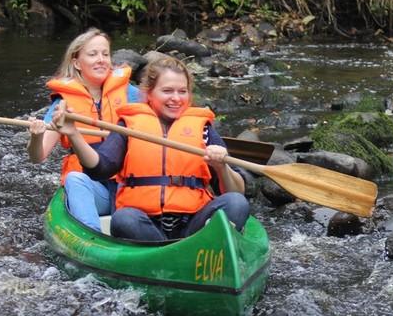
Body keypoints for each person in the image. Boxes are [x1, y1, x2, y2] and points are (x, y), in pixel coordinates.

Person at [53, 56, 250, 241]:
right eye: (167, 91)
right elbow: (100, 168)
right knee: (124, 219)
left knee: (236, 203)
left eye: (182, 91)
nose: (176, 98)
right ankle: (165, 255)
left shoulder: (203, 129)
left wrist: (221, 167)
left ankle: (201, 247)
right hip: (144, 227)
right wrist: (74, 135)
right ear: (149, 93)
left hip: (192, 224)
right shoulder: (129, 125)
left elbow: (236, 192)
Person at [27, 28, 139, 231]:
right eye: (93, 54)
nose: (101, 59)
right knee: (74, 179)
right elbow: (38, 156)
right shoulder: (64, 104)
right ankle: (91, 237)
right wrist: (35, 137)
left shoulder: (131, 94)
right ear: (77, 62)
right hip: (95, 190)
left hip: (130, 185)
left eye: (105, 54)